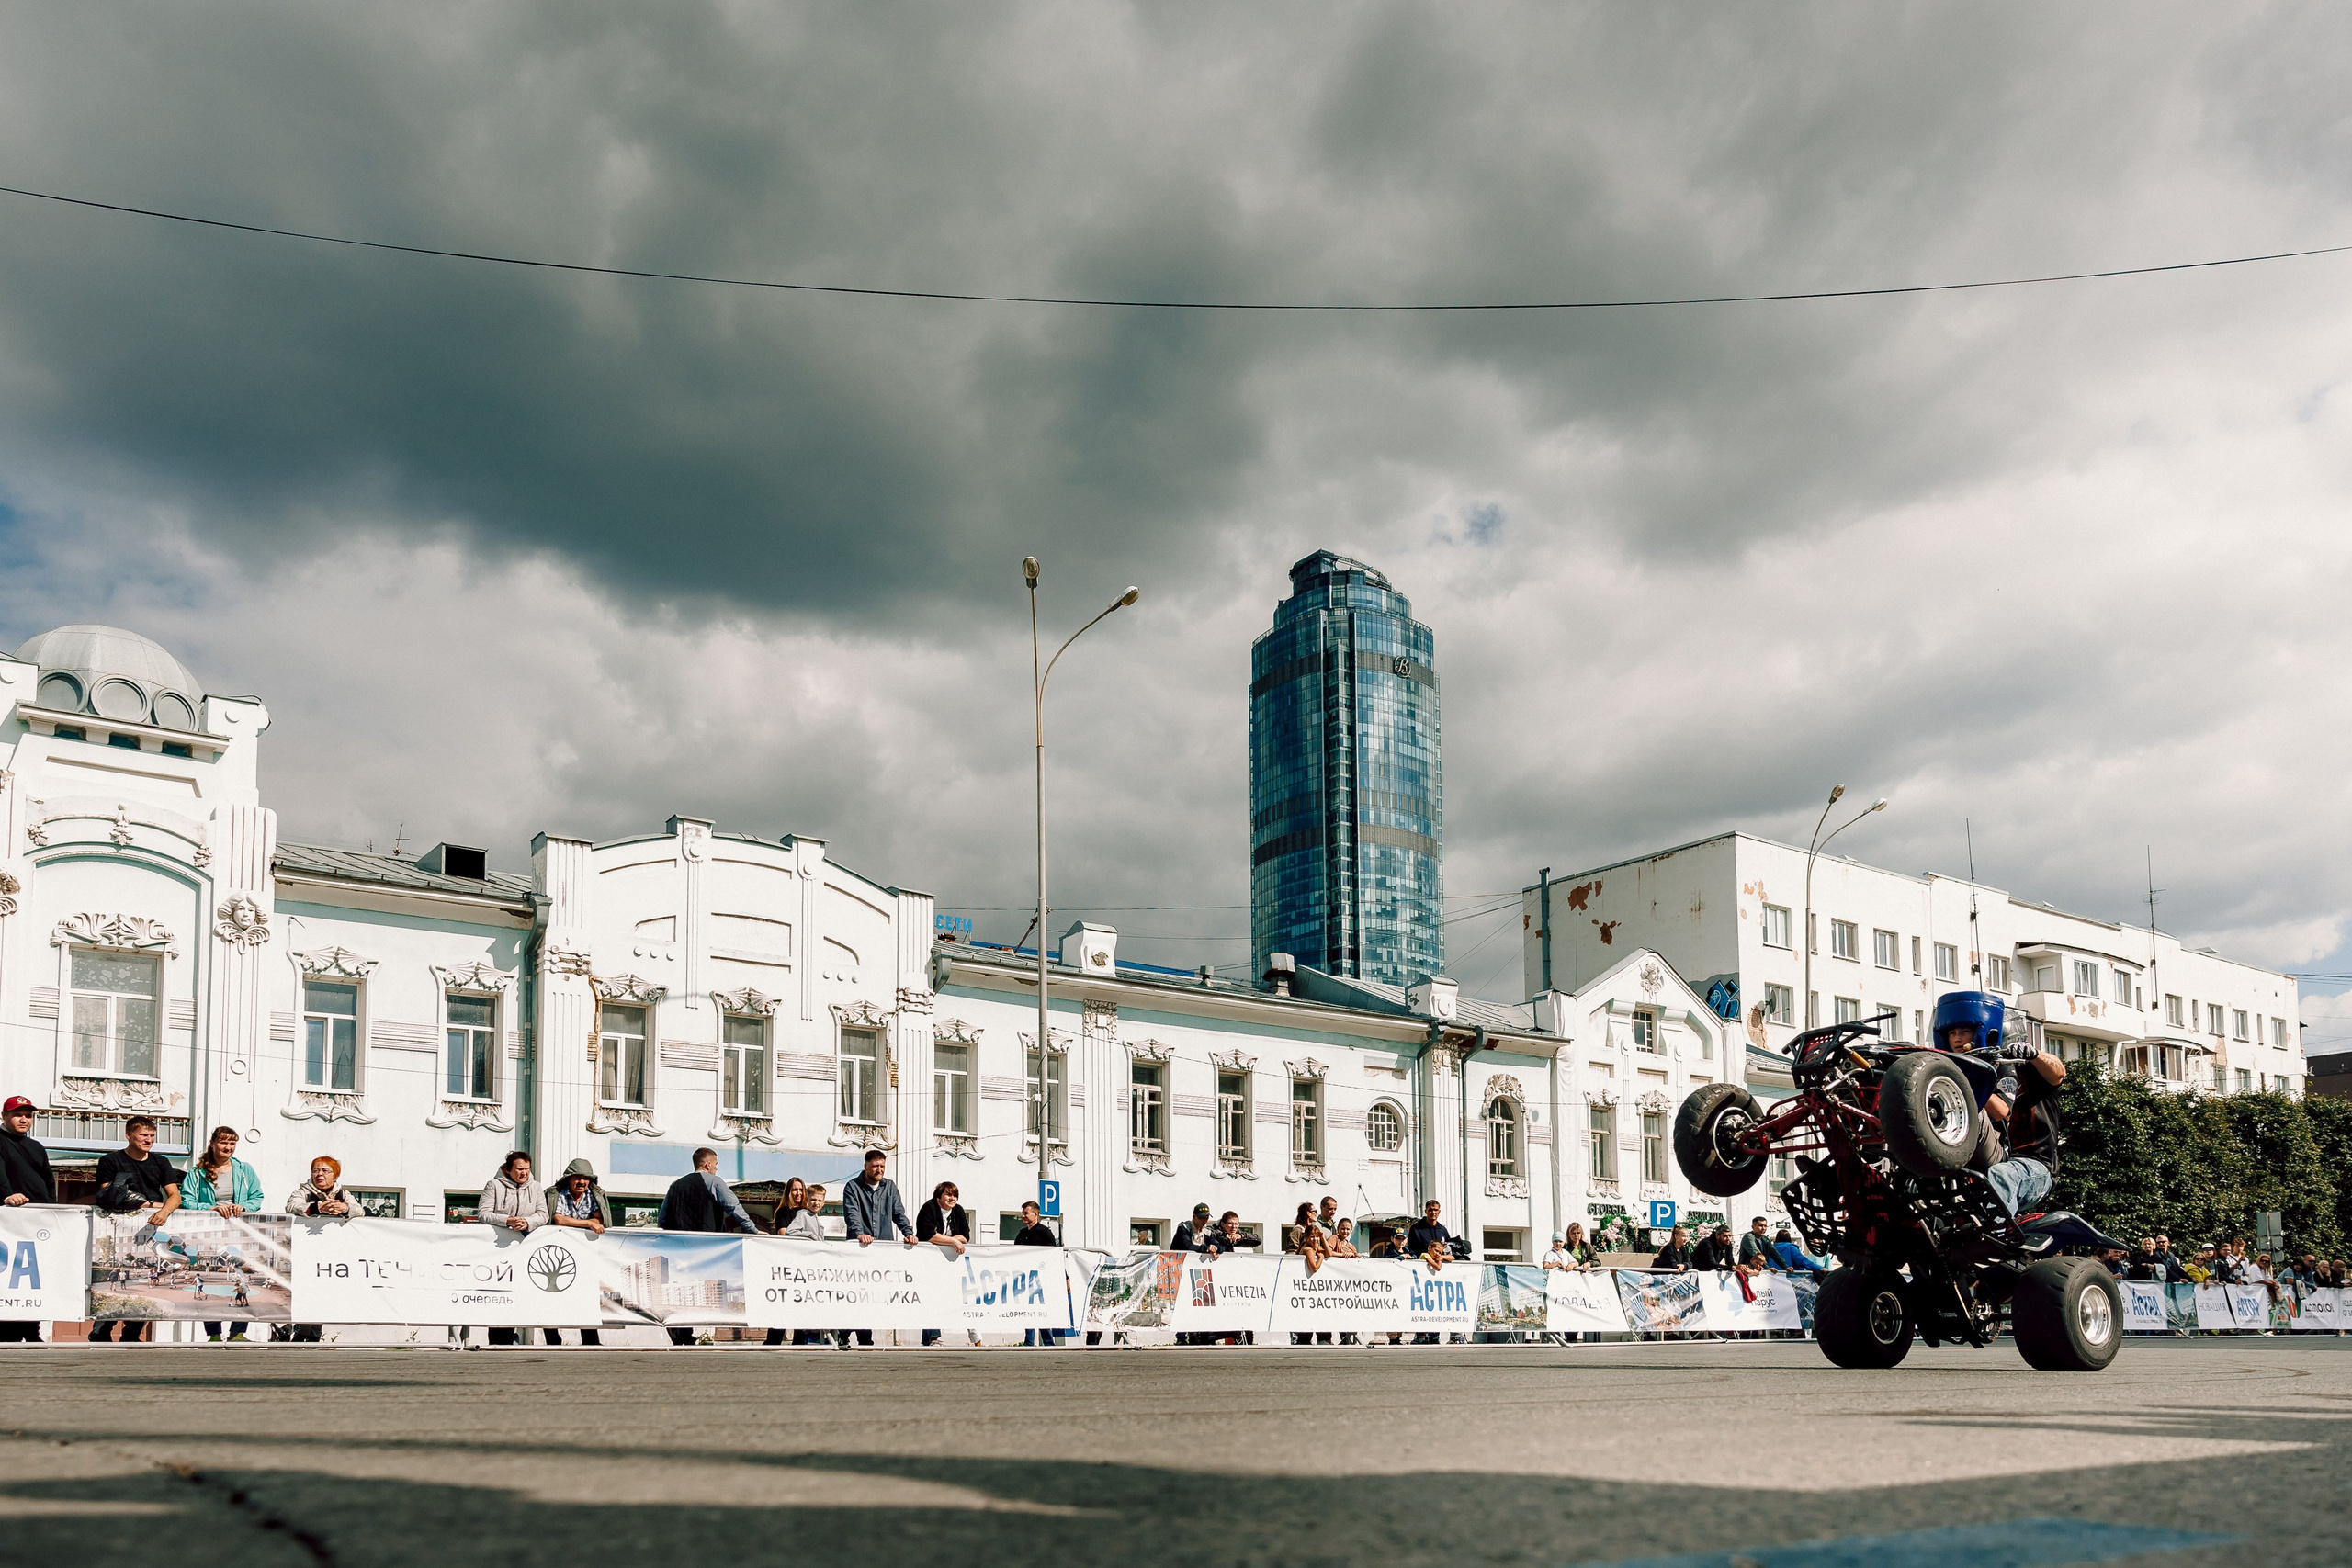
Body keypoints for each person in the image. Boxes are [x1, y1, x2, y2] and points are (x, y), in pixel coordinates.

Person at [1932, 992, 2064, 1220]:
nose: (1956, 1038)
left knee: (2002, 1174)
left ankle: (1995, 1234)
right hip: (1991, 1157)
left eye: (1964, 1031)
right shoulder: (1957, 1072)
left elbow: (2058, 1073)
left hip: (2035, 1166)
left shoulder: (2028, 1070)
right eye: (1952, 1032)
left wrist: (2034, 1054)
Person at [91, 1116, 182, 1342]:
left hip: (149, 1229)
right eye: (143, 1135)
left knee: (144, 1284)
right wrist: (152, 1205)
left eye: (152, 1136)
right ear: (129, 1135)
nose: (148, 1140)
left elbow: (175, 1196)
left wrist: (163, 1212)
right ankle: (102, 1330)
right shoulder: (110, 1161)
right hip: (116, 1228)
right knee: (112, 1281)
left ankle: (132, 1333)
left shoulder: (161, 1162)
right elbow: (109, 1195)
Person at [657, 1148, 759, 1346]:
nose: (716, 1169)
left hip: (678, 1250)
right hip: (707, 1250)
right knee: (705, 1290)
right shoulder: (714, 1182)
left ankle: (682, 1335)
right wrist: (753, 1230)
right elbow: (733, 1207)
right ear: (708, 1165)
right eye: (716, 1165)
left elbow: (663, 1218)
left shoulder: (675, 1186)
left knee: (681, 1292)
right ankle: (700, 1333)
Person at [182, 1126, 266, 1342]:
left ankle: (238, 1332)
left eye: (232, 1143)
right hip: (209, 1232)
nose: (228, 1147)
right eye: (223, 1142)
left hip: (239, 1231)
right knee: (210, 1281)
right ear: (213, 1143)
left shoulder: (244, 1169)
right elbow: (186, 1200)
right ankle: (214, 1335)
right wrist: (210, 1208)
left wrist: (244, 1207)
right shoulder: (197, 1172)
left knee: (242, 1278)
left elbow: (257, 1197)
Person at [471, 1151, 549, 1347]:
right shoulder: (493, 1185)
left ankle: (512, 1335)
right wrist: (507, 1220)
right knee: (499, 1295)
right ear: (508, 1169)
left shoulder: (537, 1187)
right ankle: (497, 1340)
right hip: (498, 1252)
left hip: (525, 1250)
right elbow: (484, 1214)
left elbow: (543, 1214)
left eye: (527, 1169)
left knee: (520, 1294)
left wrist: (528, 1222)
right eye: (519, 1169)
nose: (524, 1173)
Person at [841, 1149, 915, 1346]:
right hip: (860, 1250)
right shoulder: (852, 1187)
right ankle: (844, 1333)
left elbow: (898, 1213)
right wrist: (859, 1233)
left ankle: (866, 1337)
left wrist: (907, 1232)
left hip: (883, 1252)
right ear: (865, 1166)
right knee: (856, 1294)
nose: (879, 1170)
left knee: (872, 1295)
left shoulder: (889, 1187)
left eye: (882, 1166)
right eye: (875, 1166)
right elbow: (851, 1213)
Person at [280, 1156, 356, 1344]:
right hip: (306, 1251)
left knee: (323, 1291)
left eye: (324, 1171)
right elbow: (291, 1206)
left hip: (331, 1252)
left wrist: (344, 1207)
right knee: (307, 1290)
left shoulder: (344, 1194)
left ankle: (313, 1333)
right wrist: (316, 1207)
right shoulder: (303, 1192)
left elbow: (359, 1210)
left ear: (335, 1176)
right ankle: (302, 1331)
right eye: (315, 1170)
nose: (319, 1174)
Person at [0, 1095, 55, 1343]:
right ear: (4, 1116)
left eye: (28, 1115)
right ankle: (8, 1332)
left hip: (37, 1222)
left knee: (36, 1279)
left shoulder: (36, 1147)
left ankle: (31, 1330)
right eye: (18, 1114)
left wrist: (55, 1210)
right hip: (8, 1223)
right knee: (8, 1277)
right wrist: (7, 1195)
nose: (24, 1119)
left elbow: (48, 1182)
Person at [543, 1159, 609, 1347]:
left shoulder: (595, 1195)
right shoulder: (556, 1194)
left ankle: (591, 1341)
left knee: (586, 1296)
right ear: (569, 1178)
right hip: (556, 1254)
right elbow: (559, 1219)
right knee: (551, 1295)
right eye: (578, 1178)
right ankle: (552, 1340)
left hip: (587, 1255)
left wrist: (592, 1221)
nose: (582, 1182)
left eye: (586, 1178)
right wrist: (588, 1223)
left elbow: (600, 1219)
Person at [915, 1180, 973, 1347]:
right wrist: (953, 1242)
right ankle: (932, 1337)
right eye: (948, 1194)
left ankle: (932, 1338)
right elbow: (928, 1235)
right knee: (931, 1296)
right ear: (939, 1197)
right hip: (929, 1260)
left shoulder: (958, 1211)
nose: (952, 1198)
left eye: (955, 1195)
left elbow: (965, 1236)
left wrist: (950, 1241)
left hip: (948, 1261)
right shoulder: (929, 1208)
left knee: (943, 1296)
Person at [1012, 1200, 1062, 1348]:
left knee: (1040, 1310)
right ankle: (1029, 1341)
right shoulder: (1021, 1233)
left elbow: (1053, 1255)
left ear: (1036, 1214)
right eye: (1023, 1213)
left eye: (1026, 1213)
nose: (1023, 1216)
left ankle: (1048, 1342)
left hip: (1041, 1278)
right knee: (1029, 1309)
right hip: (1025, 1277)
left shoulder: (1044, 1232)